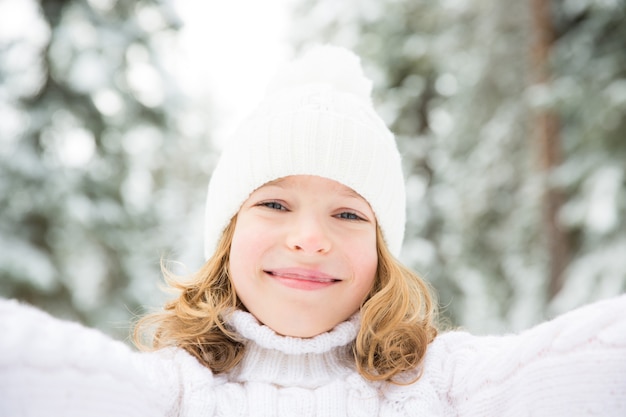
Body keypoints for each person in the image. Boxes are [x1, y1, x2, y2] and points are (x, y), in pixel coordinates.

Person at [0, 45, 625, 417]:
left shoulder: (442, 384)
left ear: (383, 256)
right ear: (226, 236)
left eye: (349, 214)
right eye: (274, 204)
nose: (309, 237)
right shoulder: (174, 390)